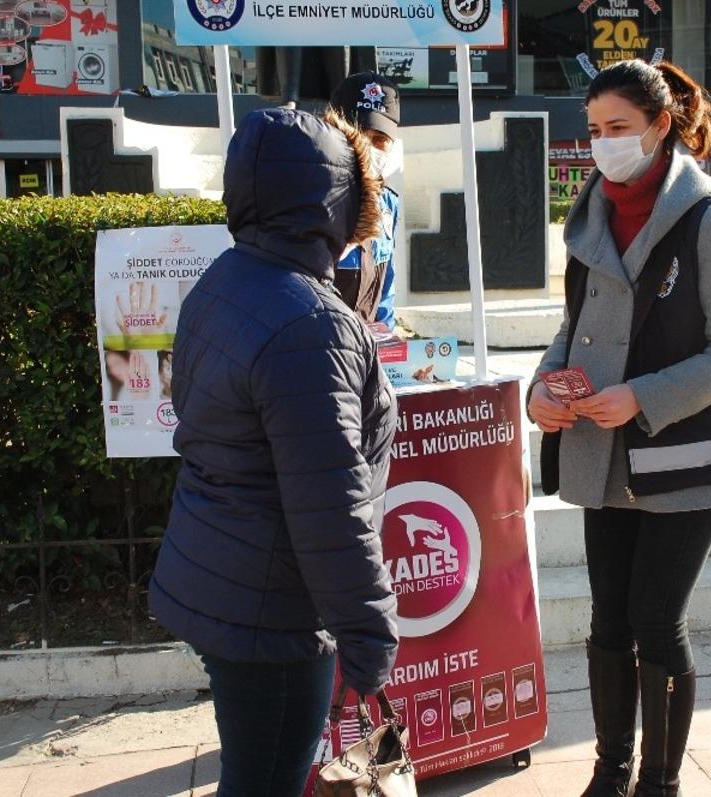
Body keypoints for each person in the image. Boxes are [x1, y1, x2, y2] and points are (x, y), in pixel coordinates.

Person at [528, 59, 711, 797]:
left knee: (656, 620)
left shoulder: (709, 222)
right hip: (603, 456)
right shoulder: (589, 218)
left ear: (661, 126)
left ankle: (659, 785)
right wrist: (543, 387)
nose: (603, 143)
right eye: (594, 129)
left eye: (619, 127)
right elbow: (573, 327)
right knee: (608, 621)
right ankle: (610, 773)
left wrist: (641, 396)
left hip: (687, 457)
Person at [148, 108, 399, 797]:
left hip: (223, 573)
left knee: (252, 773)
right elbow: (330, 503)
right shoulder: (311, 323)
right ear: (337, 201)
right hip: (275, 608)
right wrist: (368, 634)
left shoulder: (226, 279)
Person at [328, 71, 402, 329]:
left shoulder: (389, 203)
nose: (369, 146)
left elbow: (386, 286)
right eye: (360, 134)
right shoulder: (313, 196)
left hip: (365, 343)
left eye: (380, 139)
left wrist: (386, 334)